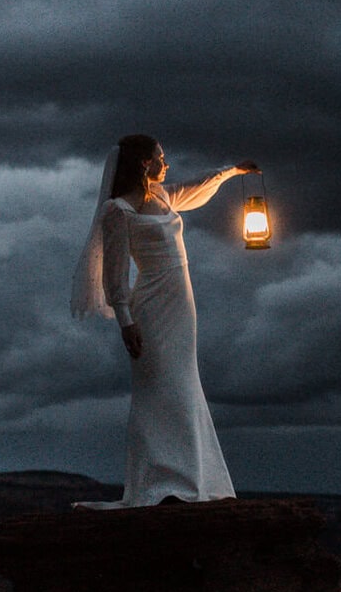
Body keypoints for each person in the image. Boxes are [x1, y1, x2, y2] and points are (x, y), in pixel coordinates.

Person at [71, 135, 257, 506]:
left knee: (185, 384)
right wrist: (125, 320)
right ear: (144, 163)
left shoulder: (162, 197)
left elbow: (196, 187)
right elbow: (114, 274)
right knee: (159, 388)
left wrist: (232, 172)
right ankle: (160, 481)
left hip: (181, 307)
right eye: (160, 157)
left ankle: (192, 478)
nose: (166, 163)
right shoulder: (118, 211)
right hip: (151, 307)